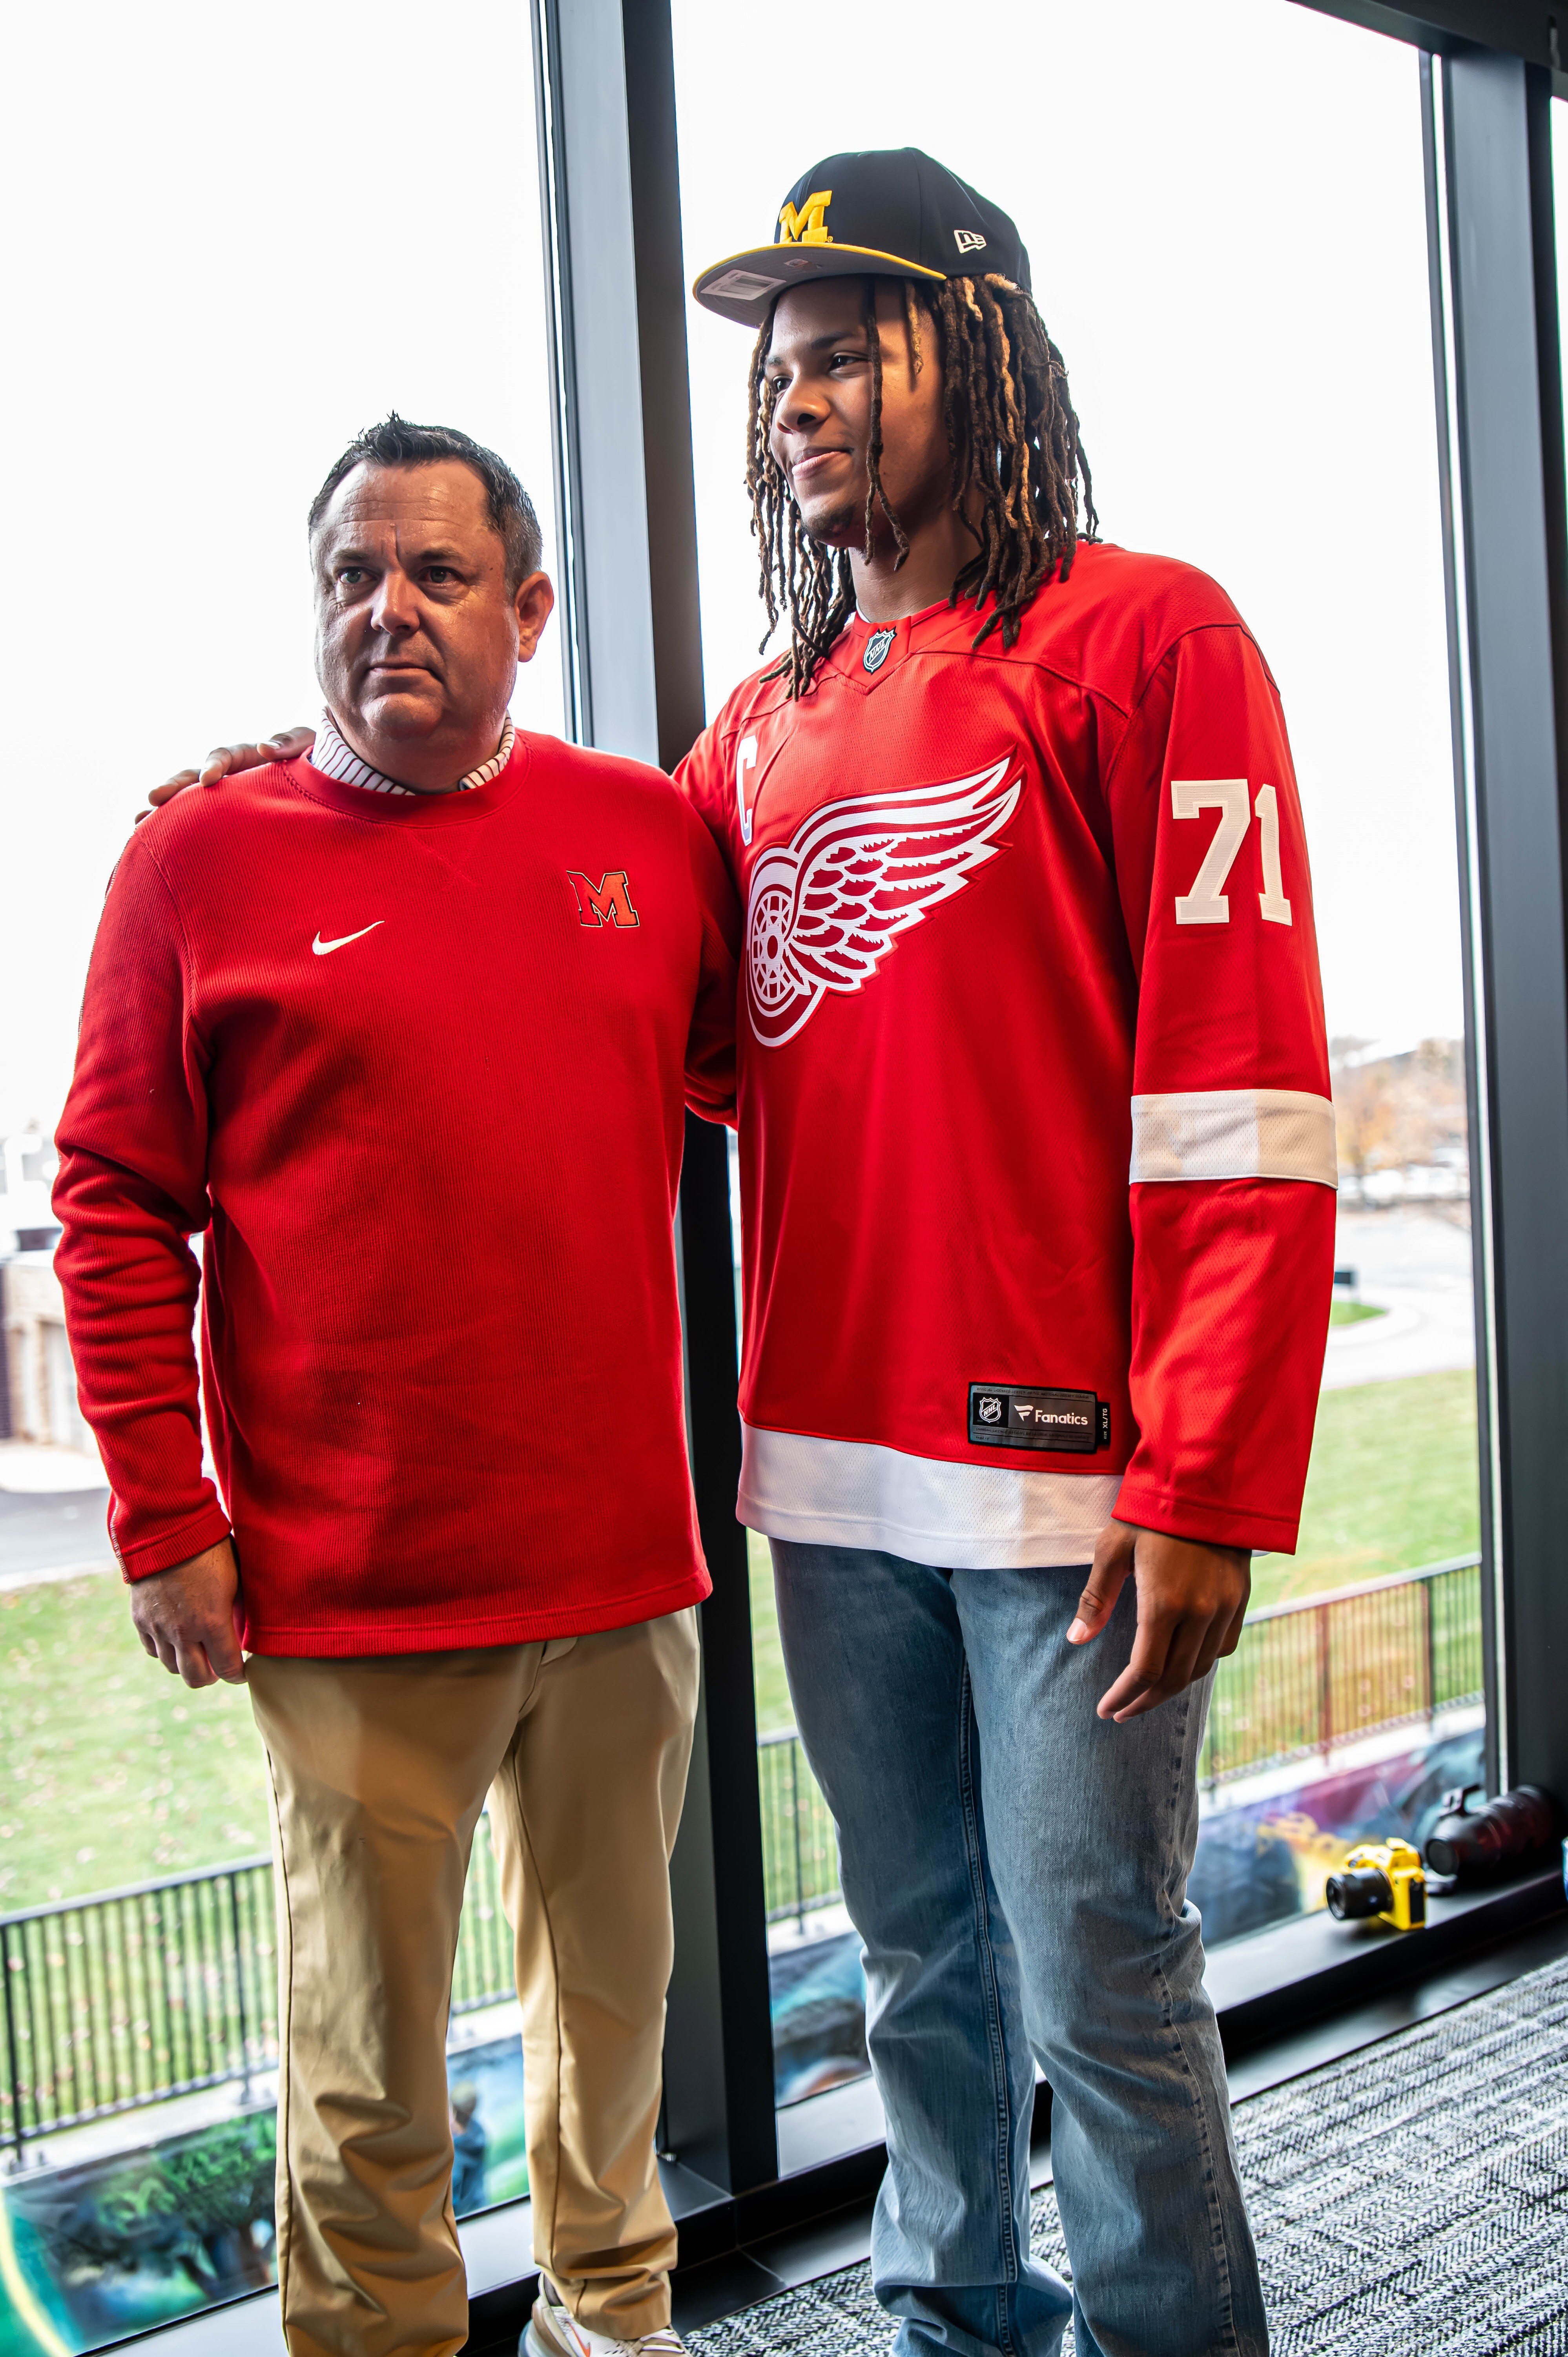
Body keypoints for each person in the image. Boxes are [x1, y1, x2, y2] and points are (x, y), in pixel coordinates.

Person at [153, 151, 1335, 2357]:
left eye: (846, 346)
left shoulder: (1150, 638)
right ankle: (955, 2316)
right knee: (922, 1971)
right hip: (822, 1475)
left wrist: (1211, 1477)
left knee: (1110, 1987)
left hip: (1072, 1482)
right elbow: (565, 923)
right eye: (776, 367)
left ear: (982, 345)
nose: (796, 401)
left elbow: (1243, 1097)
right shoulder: (755, 740)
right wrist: (303, 787)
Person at [55, 416, 736, 2357]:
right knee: (368, 2087)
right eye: (353, 574)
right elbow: (112, 1210)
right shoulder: (199, 856)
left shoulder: (649, 835)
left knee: (616, 2034)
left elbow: (759, 1070)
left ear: (529, 609)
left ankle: (622, 2323)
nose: (389, 609)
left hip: (623, 1577)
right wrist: (164, 1519)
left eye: (437, 574)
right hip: (351, 1598)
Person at [449, 2085, 489, 2218]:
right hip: (480, 2206)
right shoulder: (479, 2132)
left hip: (462, 2217)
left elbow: (453, 2192)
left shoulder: (455, 2149)